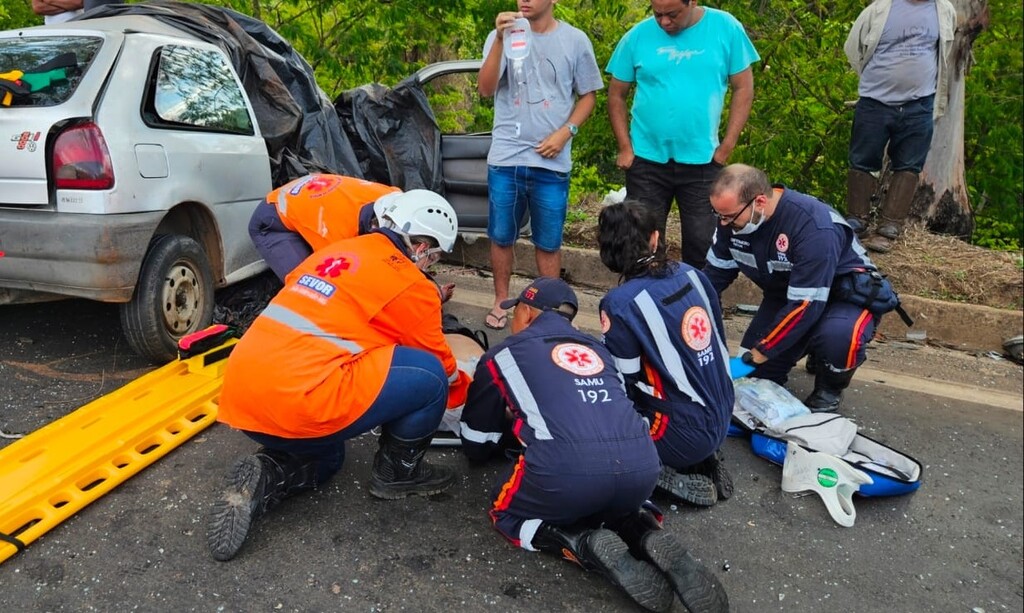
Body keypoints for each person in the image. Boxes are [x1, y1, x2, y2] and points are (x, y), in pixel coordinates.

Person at [207, 192, 471, 562]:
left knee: (329, 458)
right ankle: (397, 474)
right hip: (301, 402)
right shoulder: (412, 283)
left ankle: (269, 473)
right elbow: (441, 363)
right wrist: (471, 396)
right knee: (429, 376)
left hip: (242, 396)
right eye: (435, 257)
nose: (431, 266)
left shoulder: (337, 250)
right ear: (421, 246)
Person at [459, 277, 728, 613]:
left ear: (526, 312)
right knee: (613, 499)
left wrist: (504, 434)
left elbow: (476, 441)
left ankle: (579, 542)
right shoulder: (600, 350)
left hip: (566, 472)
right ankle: (644, 530)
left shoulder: (503, 355)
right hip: (643, 467)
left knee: (506, 511)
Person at [703, 164, 883, 413]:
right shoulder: (732, 220)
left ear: (760, 202)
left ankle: (830, 386)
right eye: (718, 215)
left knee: (839, 336)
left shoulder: (813, 226)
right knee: (753, 381)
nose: (723, 224)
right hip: (787, 295)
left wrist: (759, 354)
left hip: (842, 297)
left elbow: (805, 306)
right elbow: (712, 279)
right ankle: (806, 345)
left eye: (729, 217)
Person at [597, 201, 737, 508]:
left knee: (594, 426)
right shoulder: (694, 275)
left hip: (681, 433)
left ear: (607, 251)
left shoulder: (619, 303)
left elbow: (622, 381)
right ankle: (702, 456)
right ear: (655, 238)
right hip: (723, 410)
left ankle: (657, 468)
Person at [478, 1, 603, 331]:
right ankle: (500, 300)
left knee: (548, 242)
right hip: (506, 157)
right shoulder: (501, 35)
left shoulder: (575, 40)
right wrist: (500, 39)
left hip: (551, 161)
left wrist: (566, 132)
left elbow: (589, 95)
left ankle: (549, 312)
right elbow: (485, 89)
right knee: (501, 236)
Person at [606, 0, 759, 269]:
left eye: (672, 14)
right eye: (657, 15)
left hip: (704, 160)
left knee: (703, 243)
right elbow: (616, 94)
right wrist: (625, 147)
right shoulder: (637, 36)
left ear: (693, 2)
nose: (664, 22)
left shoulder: (726, 28)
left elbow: (744, 87)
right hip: (646, 159)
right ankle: (645, 295)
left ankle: (698, 294)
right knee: (643, 243)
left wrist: (727, 145)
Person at [843, 0, 956, 253]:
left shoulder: (944, 10)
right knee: (862, 160)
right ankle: (857, 220)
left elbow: (943, 52)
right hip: (874, 102)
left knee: (909, 165)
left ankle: (889, 226)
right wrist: (873, 79)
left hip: (920, 104)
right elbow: (852, 48)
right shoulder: (879, 9)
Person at [247, 173, 401, 281]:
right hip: (272, 222)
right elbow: (338, 277)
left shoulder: (392, 195)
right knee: (310, 284)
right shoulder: (338, 234)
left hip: (310, 194)